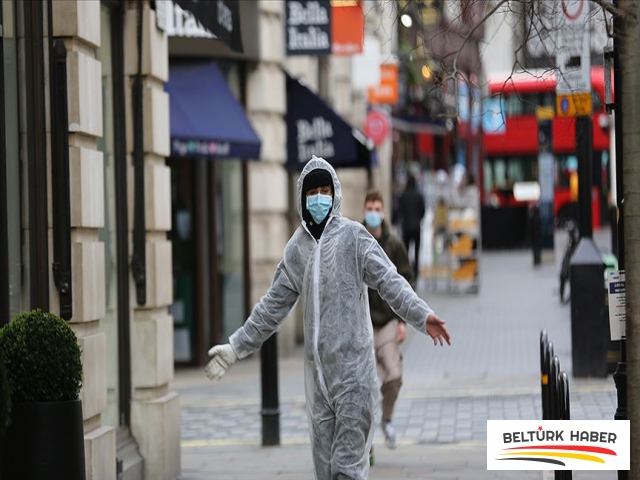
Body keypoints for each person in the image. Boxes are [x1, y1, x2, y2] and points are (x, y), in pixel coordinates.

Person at [205, 156, 451, 480]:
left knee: (347, 472)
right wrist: (236, 346)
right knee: (327, 473)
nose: (319, 197)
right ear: (302, 198)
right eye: (312, 191)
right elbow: (271, 307)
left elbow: (390, 281)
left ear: (334, 193)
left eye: (325, 189)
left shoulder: (355, 237)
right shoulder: (297, 249)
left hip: (355, 380)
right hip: (318, 387)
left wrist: (422, 315)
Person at [363, 189, 413, 452]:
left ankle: (387, 418)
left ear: (383, 212)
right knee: (366, 381)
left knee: (393, 375)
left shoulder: (394, 245)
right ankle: (366, 436)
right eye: (368, 208)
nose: (372, 213)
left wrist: (403, 320)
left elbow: (406, 281)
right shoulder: (355, 240)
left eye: (376, 208)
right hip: (361, 324)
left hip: (387, 321)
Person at [396, 174, 426, 280]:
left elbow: (399, 211)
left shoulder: (403, 195)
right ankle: (416, 273)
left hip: (406, 227)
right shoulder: (419, 195)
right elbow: (423, 212)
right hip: (417, 227)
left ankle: (407, 273)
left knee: (406, 251)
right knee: (417, 252)